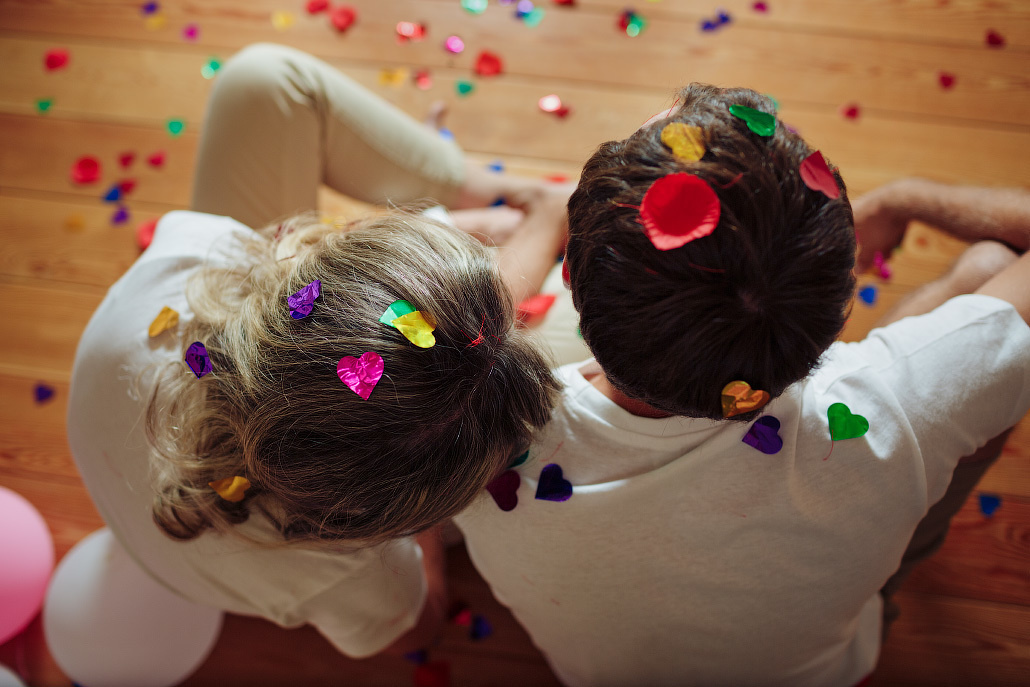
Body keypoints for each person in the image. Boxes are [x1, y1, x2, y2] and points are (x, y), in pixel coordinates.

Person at [455, 83, 1030, 686]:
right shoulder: (890, 409)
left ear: (567, 274)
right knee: (990, 270)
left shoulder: (469, 428)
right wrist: (906, 197)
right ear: (841, 312)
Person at [66, 43, 569, 658]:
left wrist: (494, 231)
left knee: (265, 82)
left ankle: (512, 199)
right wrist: (425, 534)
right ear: (396, 517)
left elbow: (345, 264)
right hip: (299, 497)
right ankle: (530, 214)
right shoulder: (341, 569)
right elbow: (420, 624)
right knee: (561, 336)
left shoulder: (184, 273)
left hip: (214, 449)